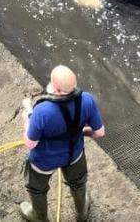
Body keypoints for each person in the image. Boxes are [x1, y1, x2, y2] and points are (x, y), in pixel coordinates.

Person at [20, 65, 105, 222]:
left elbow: (30, 144)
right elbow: (99, 132)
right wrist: (84, 132)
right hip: (74, 154)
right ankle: (82, 212)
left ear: (57, 89)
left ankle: (39, 217)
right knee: (78, 184)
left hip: (44, 161)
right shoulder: (86, 99)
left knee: (37, 190)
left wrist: (27, 121)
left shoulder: (42, 111)